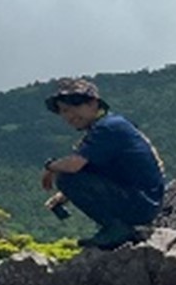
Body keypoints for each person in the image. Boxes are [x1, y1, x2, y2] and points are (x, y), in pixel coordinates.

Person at [39, 78, 165, 250]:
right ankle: (114, 229)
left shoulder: (107, 128)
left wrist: (50, 167)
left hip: (140, 203)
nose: (69, 116)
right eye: (64, 111)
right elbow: (93, 169)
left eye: (75, 107)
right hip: (143, 201)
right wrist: (63, 197)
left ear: (93, 103)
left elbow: (74, 165)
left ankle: (116, 229)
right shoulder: (107, 126)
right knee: (68, 178)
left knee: (66, 177)